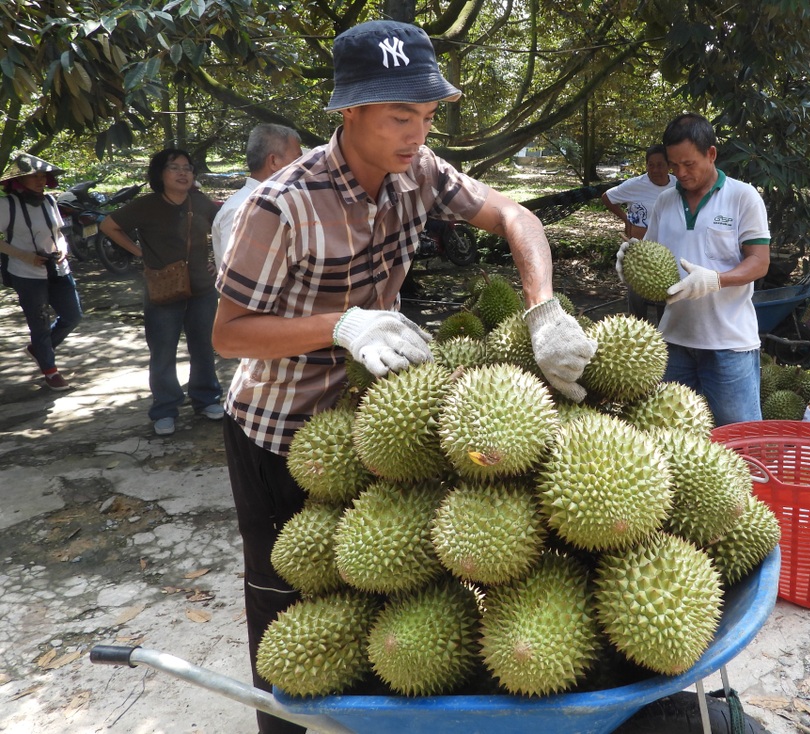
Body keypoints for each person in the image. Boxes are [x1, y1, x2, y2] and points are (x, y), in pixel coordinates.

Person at [211, 20, 596, 734]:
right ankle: (284, 726)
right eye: (398, 116)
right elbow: (229, 333)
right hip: (277, 428)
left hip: (372, 417)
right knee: (283, 589)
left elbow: (515, 215)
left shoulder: (418, 172)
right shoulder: (281, 205)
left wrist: (543, 310)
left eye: (424, 115)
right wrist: (341, 324)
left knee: (364, 592)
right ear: (349, 110)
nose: (415, 133)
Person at [618, 113, 770, 426]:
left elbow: (759, 261)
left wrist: (716, 279)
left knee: (739, 438)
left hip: (729, 345)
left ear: (711, 154)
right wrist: (629, 260)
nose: (680, 173)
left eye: (689, 164)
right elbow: (651, 256)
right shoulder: (665, 201)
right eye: (674, 165)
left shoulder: (743, 197)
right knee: (670, 439)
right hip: (673, 342)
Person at [99, 149, 224, 436]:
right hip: (163, 288)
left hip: (202, 289)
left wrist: (218, 260)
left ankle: (206, 399)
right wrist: (140, 253)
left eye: (188, 168)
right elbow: (108, 225)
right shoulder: (147, 206)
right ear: (160, 174)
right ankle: (165, 408)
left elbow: (225, 225)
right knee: (163, 350)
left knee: (204, 346)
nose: (183, 173)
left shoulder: (199, 202)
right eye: (174, 167)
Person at [0, 153, 83, 391]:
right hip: (26, 273)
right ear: (18, 180)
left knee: (73, 316)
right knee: (39, 324)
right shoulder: (7, 205)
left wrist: (64, 250)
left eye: (42, 176)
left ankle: (39, 349)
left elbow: (59, 233)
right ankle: (50, 370)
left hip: (58, 269)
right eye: (33, 176)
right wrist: (25, 256)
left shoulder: (49, 201)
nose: (40, 181)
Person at [210, 124, 303, 269]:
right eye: (297, 159)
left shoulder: (277, 202)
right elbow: (238, 279)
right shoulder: (242, 209)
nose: (302, 167)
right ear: (273, 161)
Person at [601, 144, 675, 323]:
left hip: (667, 249)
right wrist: (626, 219)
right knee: (637, 297)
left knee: (665, 297)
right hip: (638, 248)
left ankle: (665, 337)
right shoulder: (635, 185)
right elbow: (607, 197)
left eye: (660, 164)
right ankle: (637, 331)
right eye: (651, 165)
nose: (655, 169)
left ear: (669, 165)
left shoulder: (678, 185)